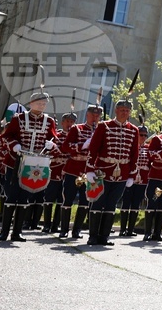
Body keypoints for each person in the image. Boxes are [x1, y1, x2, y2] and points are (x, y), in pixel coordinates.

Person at [0, 91, 59, 242]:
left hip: (34, 164)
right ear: (31, 104)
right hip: (15, 161)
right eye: (39, 103)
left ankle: (17, 232)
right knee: (12, 196)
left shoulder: (49, 121)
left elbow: (53, 137)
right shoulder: (18, 118)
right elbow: (7, 136)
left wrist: (51, 144)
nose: (41, 106)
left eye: (44, 104)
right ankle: (4, 231)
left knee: (25, 198)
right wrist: (15, 145)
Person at [84, 99, 140, 246]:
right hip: (103, 171)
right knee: (98, 202)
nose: (125, 112)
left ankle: (104, 236)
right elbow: (93, 149)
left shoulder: (134, 130)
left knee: (111, 205)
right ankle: (93, 236)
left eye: (127, 111)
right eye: (122, 110)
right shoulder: (104, 126)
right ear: (116, 111)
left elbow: (134, 154)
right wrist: (90, 170)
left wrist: (132, 175)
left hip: (122, 173)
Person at [59, 104, 102, 239]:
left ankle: (76, 230)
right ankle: (64, 229)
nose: (95, 118)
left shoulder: (101, 131)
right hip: (74, 168)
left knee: (85, 201)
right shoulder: (77, 129)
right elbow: (65, 146)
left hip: (90, 171)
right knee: (68, 199)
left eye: (97, 116)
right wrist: (82, 145)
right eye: (92, 115)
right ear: (87, 115)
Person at [41, 112, 74, 234]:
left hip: (67, 171)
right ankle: (46, 224)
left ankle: (56, 225)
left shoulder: (74, 137)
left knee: (62, 199)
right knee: (49, 197)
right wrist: (53, 148)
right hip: (54, 170)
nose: (69, 124)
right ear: (62, 122)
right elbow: (47, 152)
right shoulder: (56, 136)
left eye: (71, 122)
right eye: (67, 122)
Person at [118, 123, 149, 237]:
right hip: (129, 179)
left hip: (142, 181)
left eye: (145, 135)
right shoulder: (130, 147)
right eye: (141, 134)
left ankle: (131, 229)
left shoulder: (148, 148)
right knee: (126, 203)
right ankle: (122, 229)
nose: (143, 137)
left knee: (136, 205)